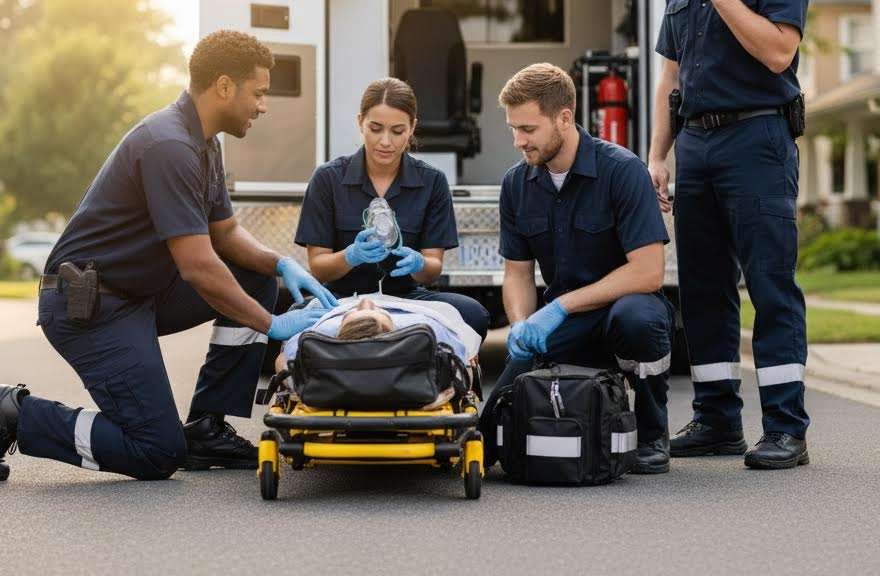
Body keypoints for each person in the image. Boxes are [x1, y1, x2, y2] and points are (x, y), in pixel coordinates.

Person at [0, 30, 335, 482]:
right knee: (157, 450)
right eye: (258, 93)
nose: (263, 106)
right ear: (224, 87)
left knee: (255, 279)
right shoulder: (169, 145)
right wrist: (271, 324)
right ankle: (15, 413)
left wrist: (280, 264)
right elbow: (198, 267)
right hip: (90, 307)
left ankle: (207, 428)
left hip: (138, 295)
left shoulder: (206, 144)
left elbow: (226, 233)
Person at [648, 0, 812, 470]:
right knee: (702, 287)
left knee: (770, 284)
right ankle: (717, 421)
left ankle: (786, 429)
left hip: (757, 141)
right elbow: (671, 76)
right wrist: (658, 154)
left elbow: (778, 53)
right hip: (696, 145)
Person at [481, 63, 674, 475]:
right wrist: (521, 324)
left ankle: (652, 433)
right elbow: (517, 273)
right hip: (565, 325)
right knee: (488, 437)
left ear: (564, 118)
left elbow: (649, 272)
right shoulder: (516, 185)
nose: (518, 141)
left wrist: (559, 307)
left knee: (639, 320)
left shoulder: (622, 171)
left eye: (528, 129)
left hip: (620, 314)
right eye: (513, 129)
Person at [293, 77, 490, 340]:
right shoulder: (328, 178)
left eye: (397, 131)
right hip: (343, 299)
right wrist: (351, 256)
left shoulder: (432, 181)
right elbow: (318, 267)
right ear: (360, 122)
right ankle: (402, 338)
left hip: (406, 299)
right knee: (296, 314)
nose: (385, 141)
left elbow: (432, 269)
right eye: (375, 129)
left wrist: (418, 263)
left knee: (473, 314)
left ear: (412, 127)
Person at [277, 294, 482, 368]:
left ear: (341, 328)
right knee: (472, 313)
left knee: (297, 308)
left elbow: (284, 362)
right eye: (377, 310)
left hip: (404, 292)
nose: (367, 301)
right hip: (408, 304)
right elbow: (465, 364)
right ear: (393, 325)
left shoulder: (325, 331)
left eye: (356, 312)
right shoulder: (425, 328)